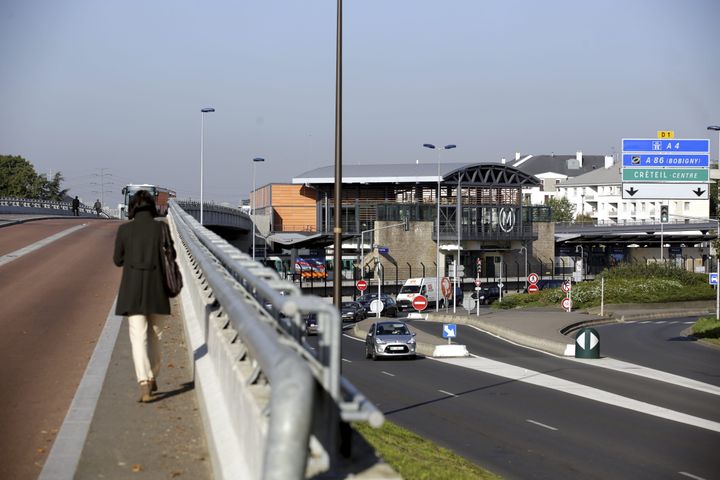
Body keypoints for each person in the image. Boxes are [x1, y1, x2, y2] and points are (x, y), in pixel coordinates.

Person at [113, 190, 177, 402]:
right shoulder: (161, 228)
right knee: (155, 336)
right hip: (157, 289)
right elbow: (172, 255)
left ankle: (144, 382)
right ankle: (153, 375)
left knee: (137, 337)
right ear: (152, 207)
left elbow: (117, 260)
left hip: (132, 291)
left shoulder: (124, 230)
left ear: (132, 208)